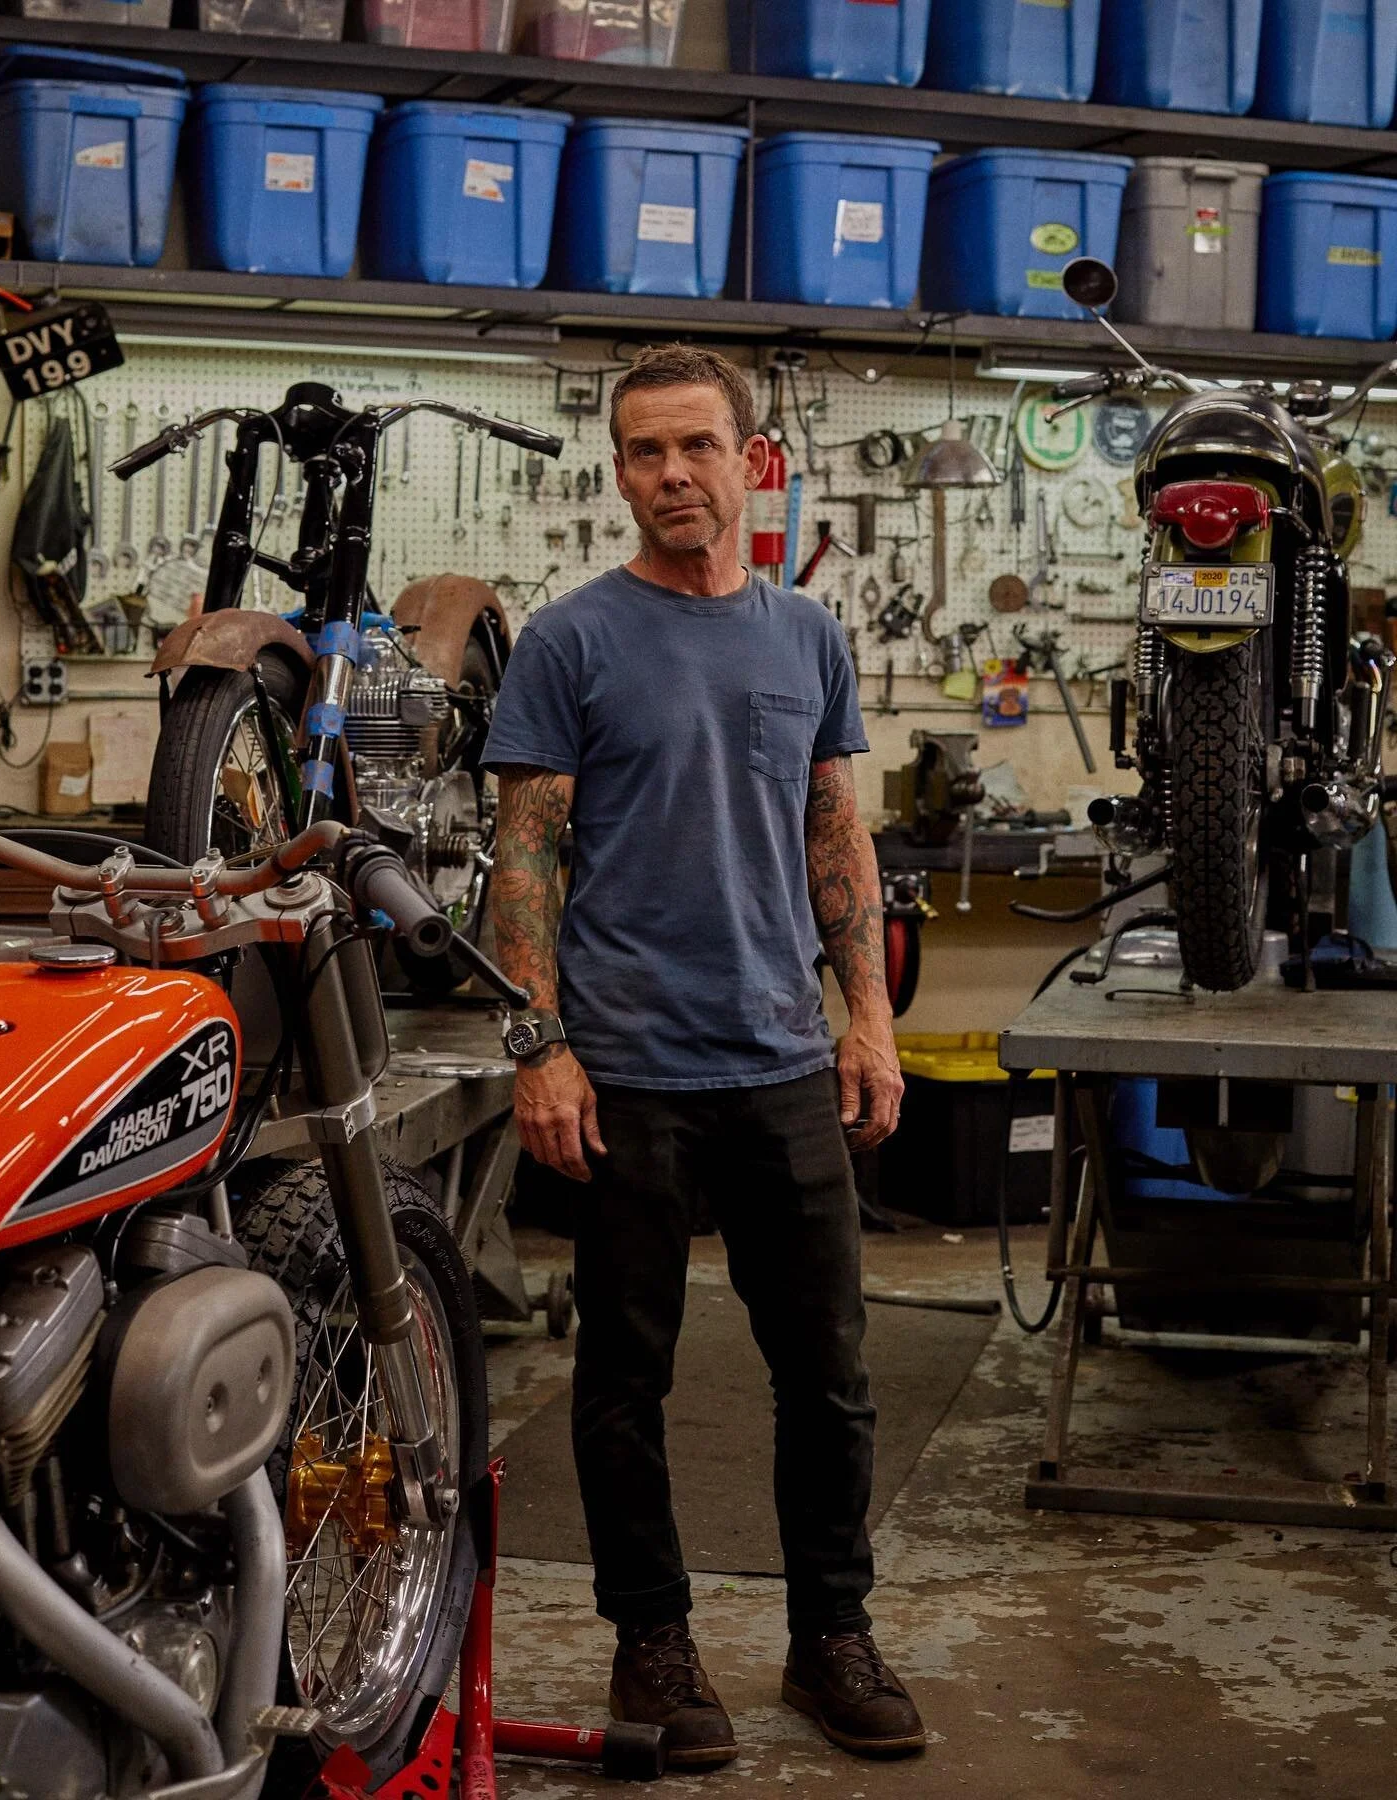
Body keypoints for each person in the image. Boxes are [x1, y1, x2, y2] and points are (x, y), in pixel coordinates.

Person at [481, 344, 921, 1768]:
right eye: (645, 452)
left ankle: (830, 1636)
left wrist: (870, 1018)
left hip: (781, 1056)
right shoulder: (570, 641)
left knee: (830, 1377)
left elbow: (834, 830)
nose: (672, 474)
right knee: (624, 1381)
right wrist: (541, 1047)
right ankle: (653, 1643)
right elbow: (526, 855)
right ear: (620, 472)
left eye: (697, 446)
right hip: (627, 1071)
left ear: (752, 461)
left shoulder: (807, 637)